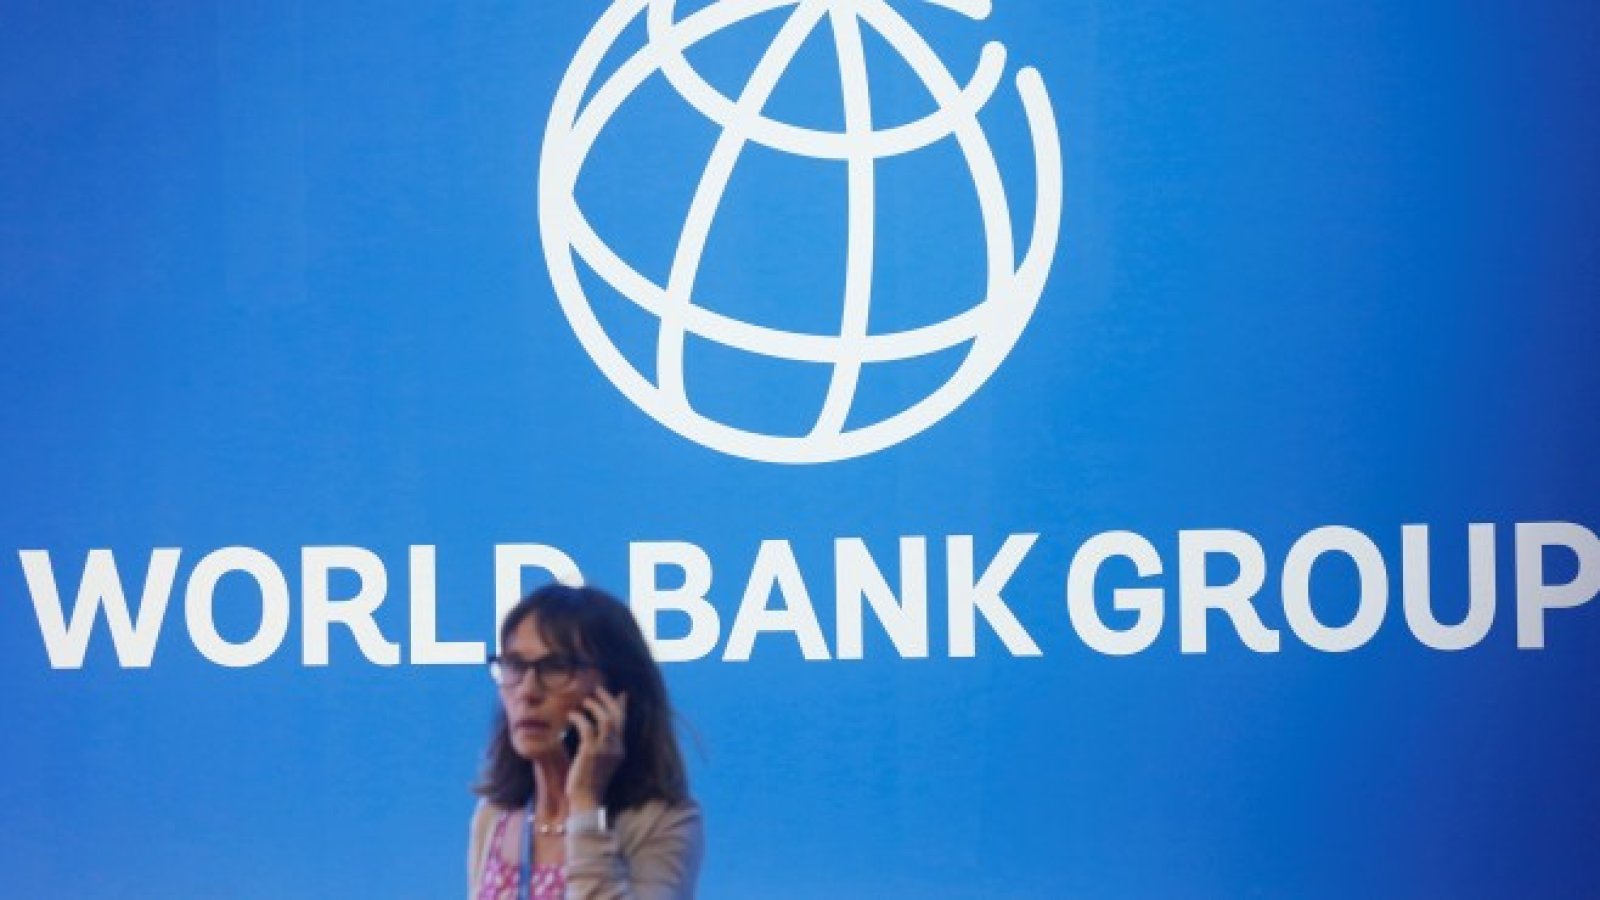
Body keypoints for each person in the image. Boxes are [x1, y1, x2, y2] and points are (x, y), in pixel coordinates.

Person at [469, 583, 703, 899]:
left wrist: (584, 804)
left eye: (556, 667)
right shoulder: (495, 815)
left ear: (614, 694)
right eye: (515, 665)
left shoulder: (662, 822)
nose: (527, 691)